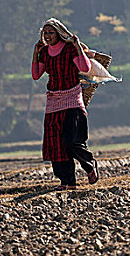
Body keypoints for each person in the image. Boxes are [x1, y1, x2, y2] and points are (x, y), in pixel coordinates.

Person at [32, 18, 99, 190]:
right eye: (45, 33)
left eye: (51, 32)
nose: (47, 36)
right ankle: (68, 182)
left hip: (72, 100)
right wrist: (35, 53)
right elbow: (36, 74)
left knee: (71, 141)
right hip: (54, 102)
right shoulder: (45, 53)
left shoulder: (69, 49)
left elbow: (84, 68)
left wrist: (77, 47)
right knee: (56, 146)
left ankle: (89, 164)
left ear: (59, 33)